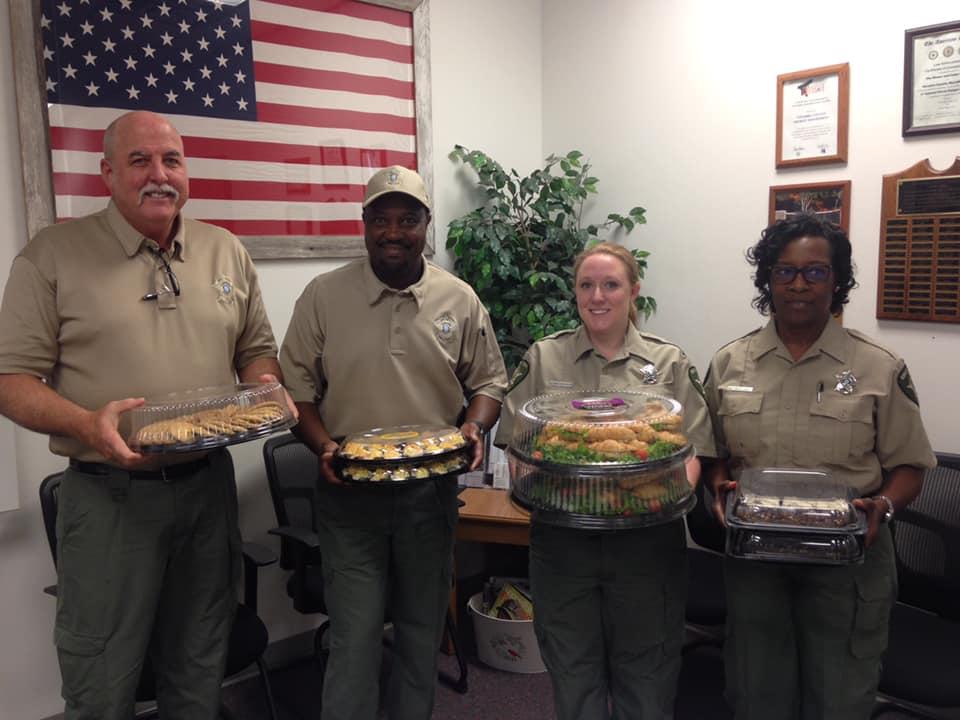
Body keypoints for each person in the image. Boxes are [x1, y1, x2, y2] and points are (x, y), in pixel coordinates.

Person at [0, 110, 287, 720]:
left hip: (208, 491)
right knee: (101, 680)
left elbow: (256, 352)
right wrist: (86, 425)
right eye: (140, 161)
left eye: (172, 160)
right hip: (109, 501)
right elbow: (10, 381)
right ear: (107, 172)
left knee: (199, 667)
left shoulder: (225, 251)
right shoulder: (53, 255)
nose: (160, 175)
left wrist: (264, 391)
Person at [279, 165, 508, 720]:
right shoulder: (323, 296)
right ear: (364, 225)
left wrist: (475, 427)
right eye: (380, 219)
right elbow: (294, 394)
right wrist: (322, 448)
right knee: (354, 639)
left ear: (426, 224)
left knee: (419, 632)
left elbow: (490, 382)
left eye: (407, 219)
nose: (393, 231)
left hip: (429, 497)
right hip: (349, 495)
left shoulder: (458, 298)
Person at [703, 214, 936, 720]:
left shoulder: (879, 366)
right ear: (768, 280)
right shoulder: (729, 363)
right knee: (755, 694)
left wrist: (885, 507)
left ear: (837, 280)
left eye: (816, 272)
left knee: (839, 699)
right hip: (756, 560)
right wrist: (716, 483)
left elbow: (911, 466)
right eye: (785, 272)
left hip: (849, 564)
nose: (800, 284)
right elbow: (713, 453)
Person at [495, 241, 717, 720]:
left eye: (611, 284)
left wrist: (663, 496)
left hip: (647, 545)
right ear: (574, 292)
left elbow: (694, 451)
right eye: (586, 285)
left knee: (648, 675)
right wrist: (541, 485)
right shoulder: (543, 358)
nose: (598, 296)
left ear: (634, 291)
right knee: (573, 673)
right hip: (562, 543)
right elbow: (517, 448)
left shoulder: (670, 362)